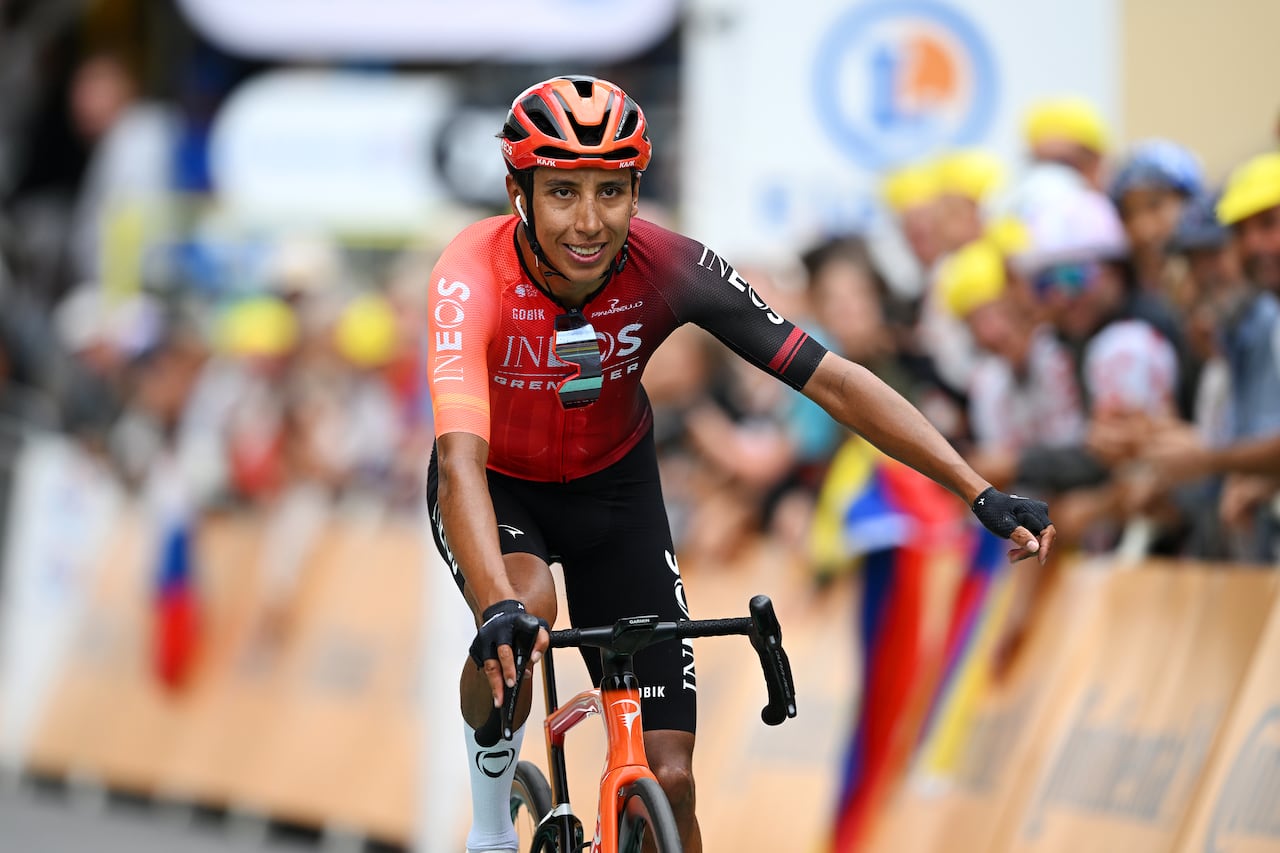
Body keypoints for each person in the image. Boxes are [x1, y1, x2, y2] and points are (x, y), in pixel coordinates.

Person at [423, 75, 1056, 853]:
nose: (588, 222)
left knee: (674, 778)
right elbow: (459, 459)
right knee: (525, 606)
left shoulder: (671, 264)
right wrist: (494, 613)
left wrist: (977, 489)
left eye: (611, 192)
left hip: (615, 491)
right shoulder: (470, 272)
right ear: (518, 190)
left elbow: (832, 379)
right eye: (562, 192)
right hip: (497, 485)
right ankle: (487, 831)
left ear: (636, 190)